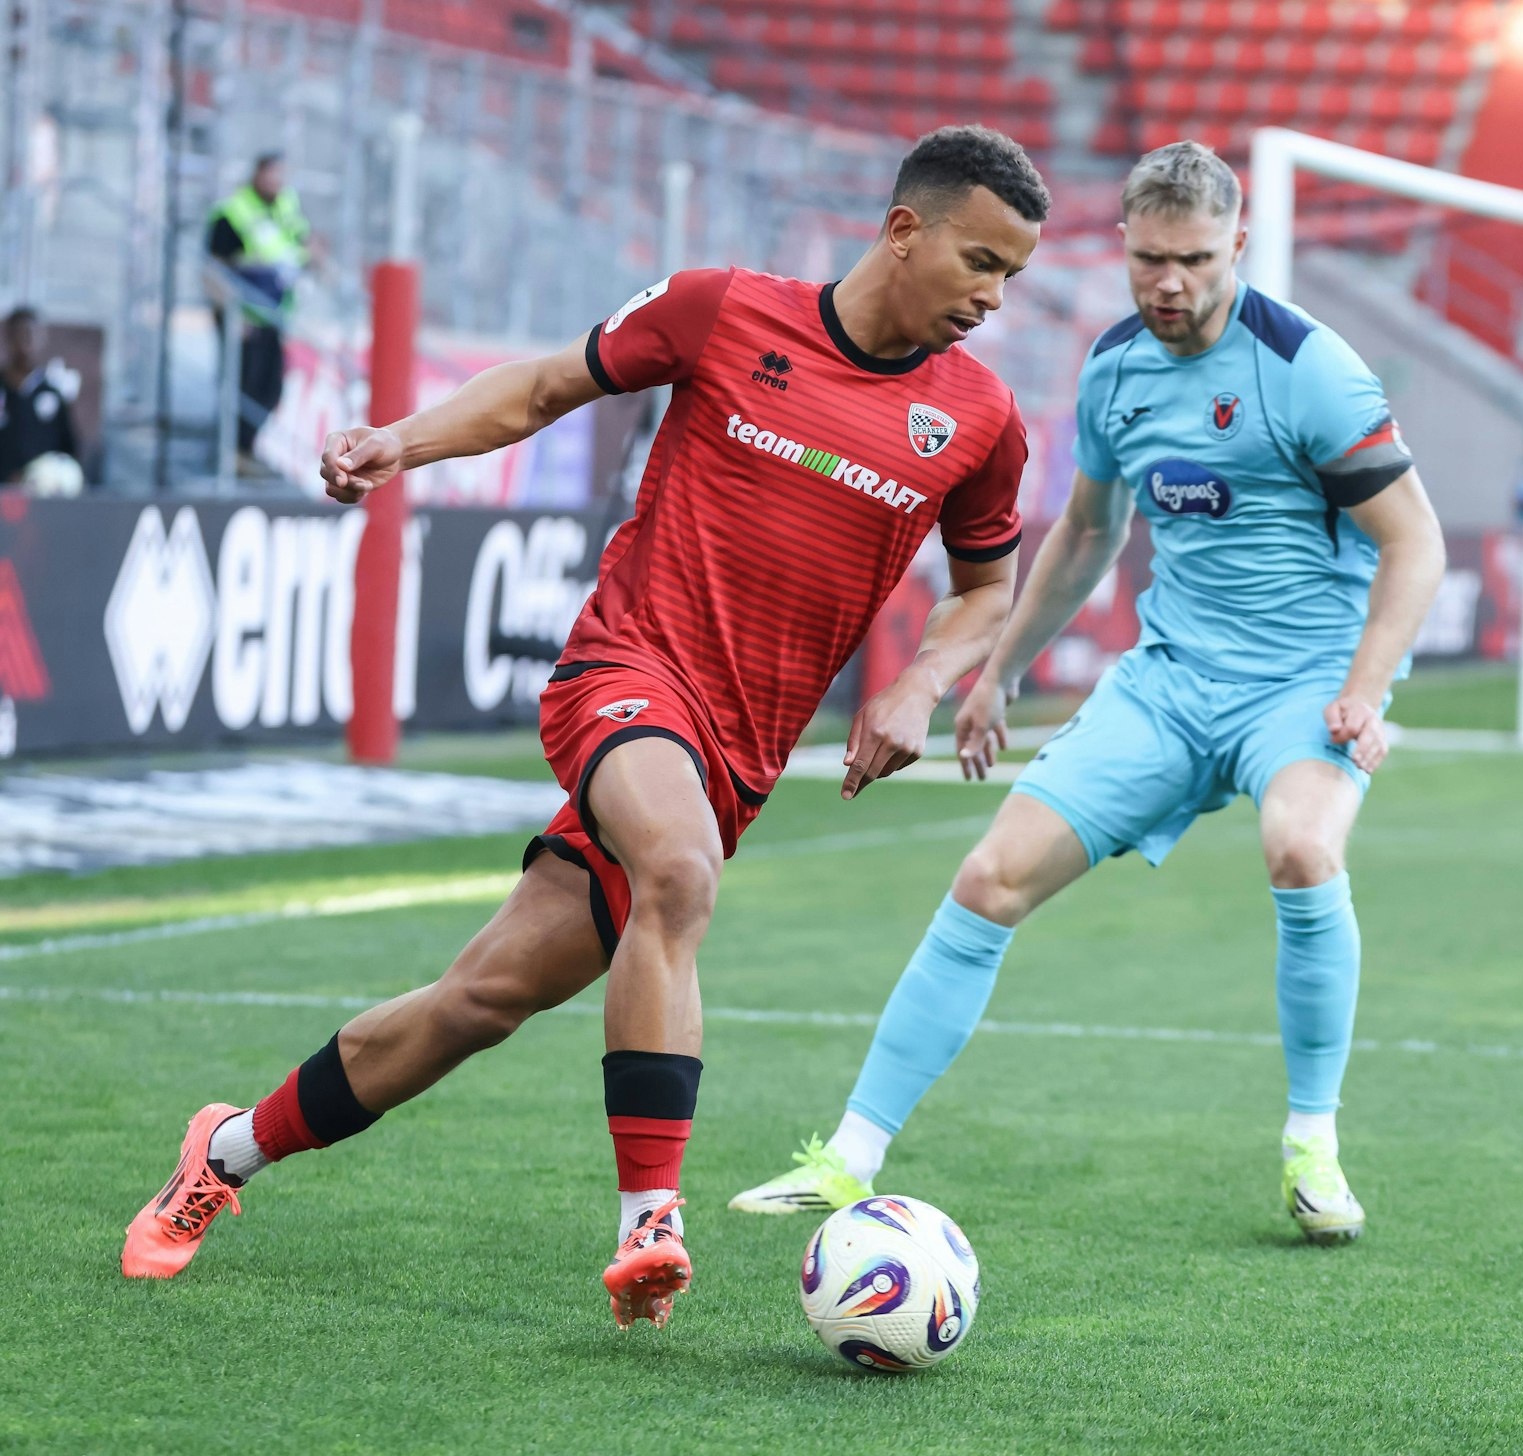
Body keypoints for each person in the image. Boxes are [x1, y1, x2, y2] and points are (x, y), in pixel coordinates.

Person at [123, 126, 1051, 1330]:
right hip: (625, 672)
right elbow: (541, 387)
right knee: (679, 868)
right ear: (903, 230)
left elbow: (985, 590)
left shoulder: (978, 417)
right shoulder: (723, 310)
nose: (992, 296)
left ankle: (226, 1151)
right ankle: (649, 1223)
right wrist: (397, 442)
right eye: (980, 261)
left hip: (735, 757)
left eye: (1011, 275)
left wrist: (919, 682)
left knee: (476, 1003)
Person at [729, 140, 1446, 1246]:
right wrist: (999, 671)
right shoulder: (1114, 370)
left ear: (1238, 245)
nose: (1171, 283)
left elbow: (1414, 543)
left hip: (1302, 686)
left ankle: (1313, 1144)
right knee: (988, 878)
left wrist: (1362, 690)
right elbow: (1086, 532)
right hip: (1169, 683)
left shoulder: (1308, 368)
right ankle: (847, 1159)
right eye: (1150, 259)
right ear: (1122, 246)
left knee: (1303, 850)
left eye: (1196, 260)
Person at [206, 152, 311, 468]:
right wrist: (231, 313)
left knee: (271, 387)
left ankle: (247, 450)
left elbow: (298, 249)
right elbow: (214, 268)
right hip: (242, 316)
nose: (276, 181)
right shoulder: (233, 211)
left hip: (273, 315)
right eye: (271, 173)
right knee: (243, 385)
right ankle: (231, 455)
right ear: (257, 174)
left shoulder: (286, 208)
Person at [0, 306, 79, 485]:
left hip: (39, 495)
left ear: (42, 339)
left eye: (30, 335)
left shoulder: (53, 394)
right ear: (8, 338)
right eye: (18, 335)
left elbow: (68, 451)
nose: (24, 344)